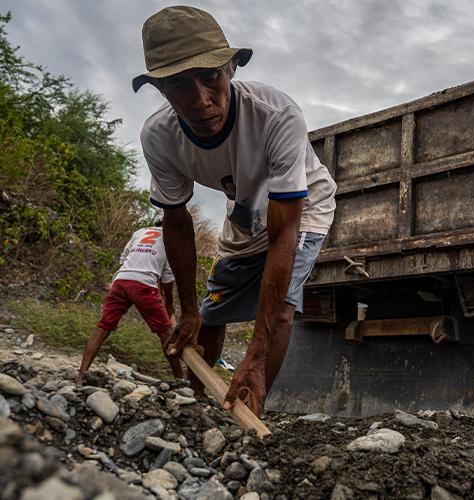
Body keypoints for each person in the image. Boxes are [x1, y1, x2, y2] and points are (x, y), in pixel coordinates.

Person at [133, 6, 336, 415]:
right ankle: (196, 410)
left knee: (280, 311)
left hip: (302, 209)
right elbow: (175, 222)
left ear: (231, 69)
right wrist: (187, 310)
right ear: (160, 90)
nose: (201, 101)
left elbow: (283, 236)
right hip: (244, 210)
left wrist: (256, 355)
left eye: (210, 78)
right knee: (210, 315)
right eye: (178, 86)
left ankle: (251, 406)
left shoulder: (276, 115)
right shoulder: (159, 138)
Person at [77, 221, 183, 383]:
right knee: (166, 334)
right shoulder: (171, 238)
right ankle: (181, 380)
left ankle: (81, 374)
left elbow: (124, 258)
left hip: (121, 280)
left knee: (103, 326)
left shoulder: (139, 232)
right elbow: (168, 279)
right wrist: (168, 304)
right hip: (144, 285)